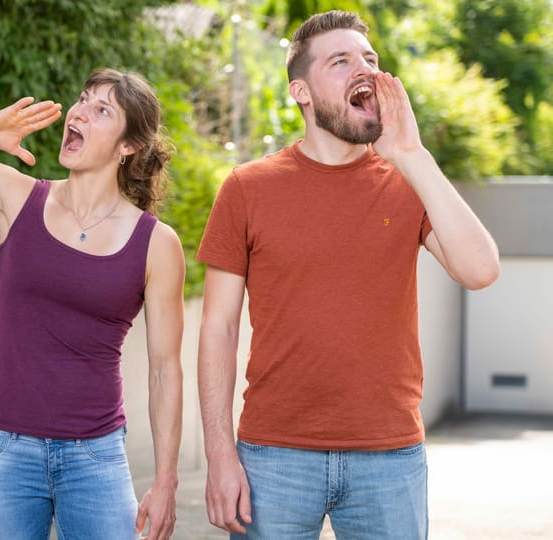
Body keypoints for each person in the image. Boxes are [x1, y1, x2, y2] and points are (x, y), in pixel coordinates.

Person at [196, 10, 500, 540]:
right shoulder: (247, 188)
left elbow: (480, 270)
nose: (364, 70)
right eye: (340, 61)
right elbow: (218, 329)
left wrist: (412, 153)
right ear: (302, 91)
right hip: (274, 455)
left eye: (370, 60)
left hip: (389, 456)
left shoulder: (408, 182)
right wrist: (221, 457)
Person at [0, 67, 185, 540]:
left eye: (101, 109)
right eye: (82, 100)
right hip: (6, 452)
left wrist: (166, 479)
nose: (80, 112)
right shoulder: (17, 196)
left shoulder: (156, 244)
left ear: (129, 146)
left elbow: (166, 369)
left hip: (96, 457)